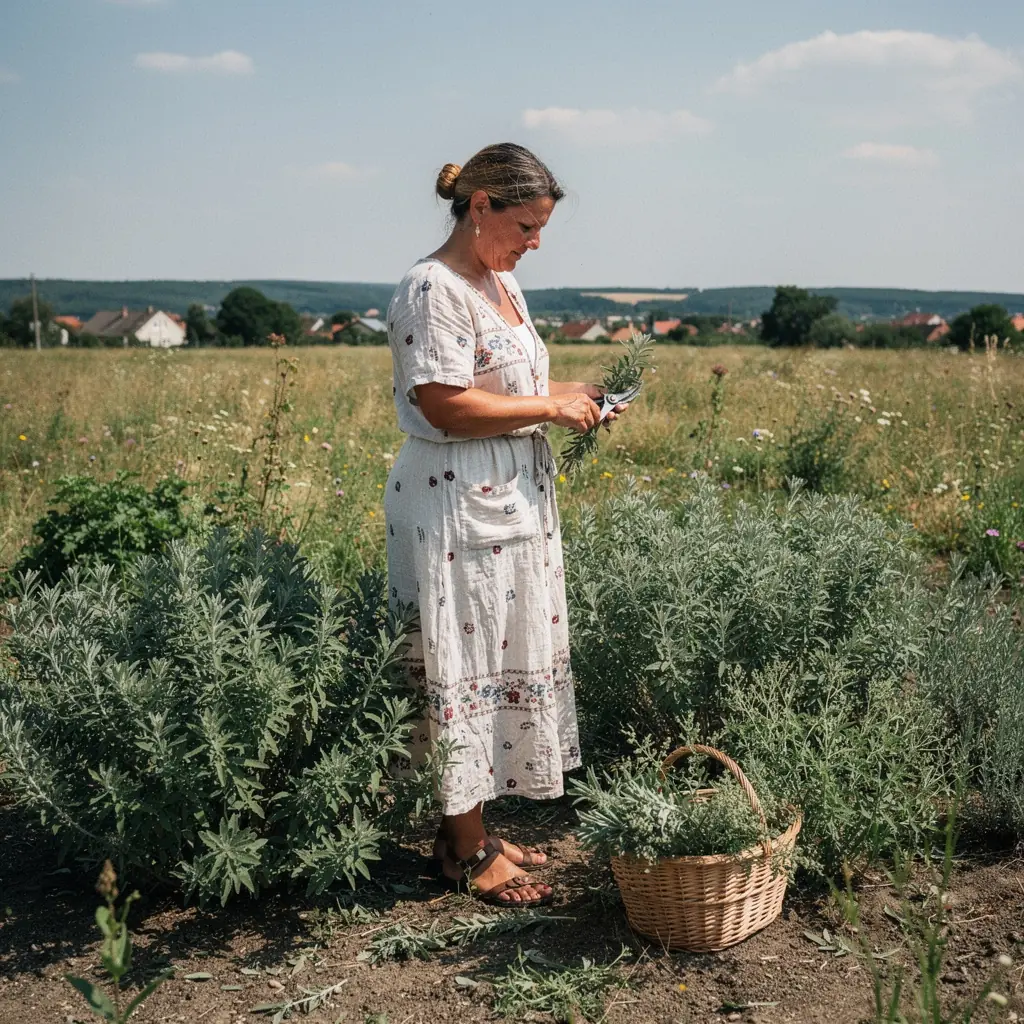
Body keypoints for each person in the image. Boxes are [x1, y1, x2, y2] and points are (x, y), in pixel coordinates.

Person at [384, 143, 627, 906]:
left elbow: (505, 383)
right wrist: (549, 408)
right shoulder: (433, 288)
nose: (536, 242)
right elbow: (444, 402)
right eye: (526, 224)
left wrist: (573, 393)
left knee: (493, 659)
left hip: (509, 497)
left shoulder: (502, 283)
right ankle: (463, 852)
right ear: (479, 204)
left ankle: (472, 831)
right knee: (460, 666)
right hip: (455, 502)